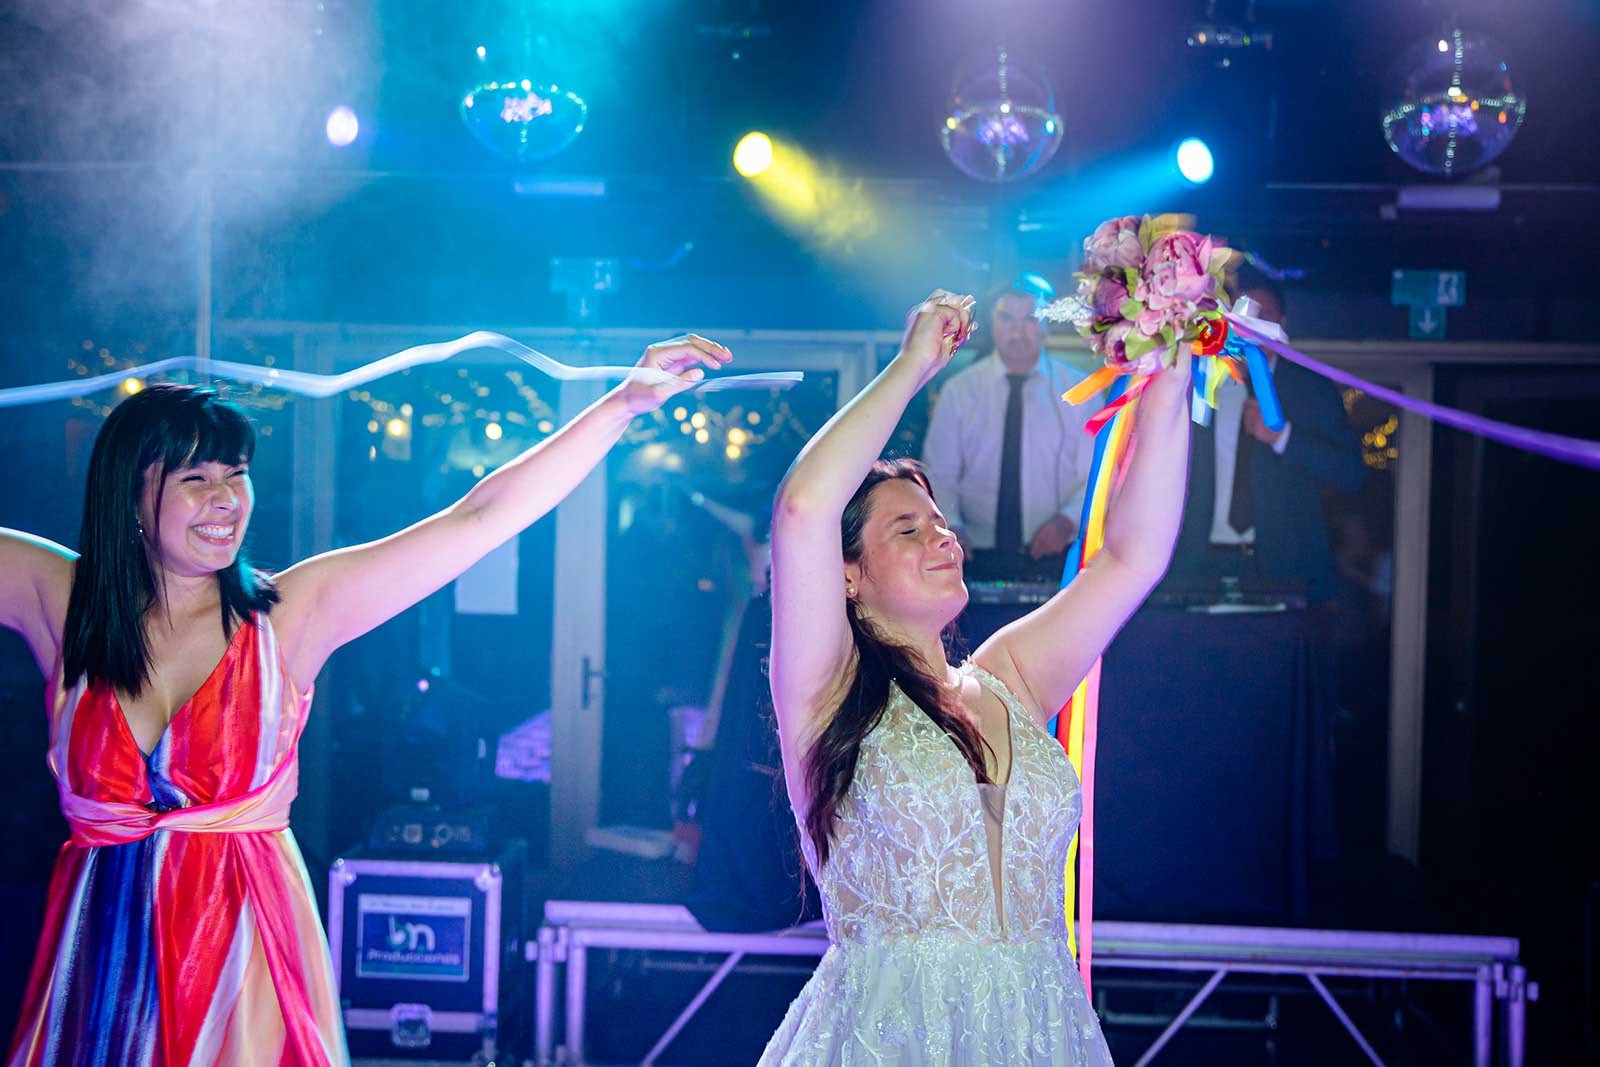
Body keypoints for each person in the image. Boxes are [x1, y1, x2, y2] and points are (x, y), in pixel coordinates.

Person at [0, 334, 728, 1066]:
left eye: (237, 474)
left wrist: (620, 407)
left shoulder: (288, 616)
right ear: (131, 494)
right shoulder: (62, 602)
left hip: (241, 970)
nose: (226, 499)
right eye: (195, 478)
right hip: (97, 969)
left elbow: (477, 519)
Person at [763, 290, 1192, 1064]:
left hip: (1040, 1034)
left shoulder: (1008, 677)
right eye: (908, 529)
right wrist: (913, 365)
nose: (942, 537)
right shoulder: (827, 690)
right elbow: (802, 507)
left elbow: (1134, 557)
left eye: (941, 522)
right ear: (847, 573)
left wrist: (1169, 367)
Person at [1168, 272, 1365, 602]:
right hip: (1199, 564)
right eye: (1243, 316)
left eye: (1264, 316)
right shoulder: (1200, 383)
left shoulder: (1311, 390)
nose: (1252, 327)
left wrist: (1284, 437)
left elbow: (1351, 473)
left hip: (1284, 567)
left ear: (1281, 323)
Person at [921, 282, 1095, 580]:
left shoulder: (1081, 391)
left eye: (1030, 319)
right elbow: (938, 472)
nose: (1018, 331)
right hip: (972, 551)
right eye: (1007, 319)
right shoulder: (959, 390)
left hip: (1058, 549)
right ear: (992, 325)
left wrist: (1067, 521)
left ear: (1047, 326)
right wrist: (952, 526)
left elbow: (1098, 474)